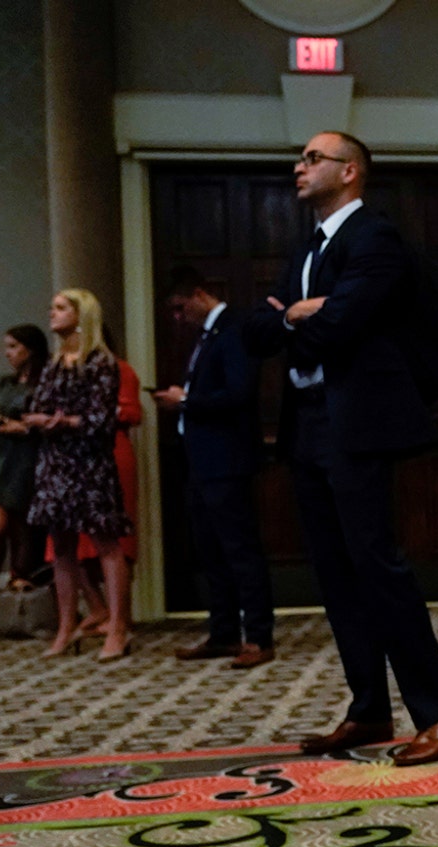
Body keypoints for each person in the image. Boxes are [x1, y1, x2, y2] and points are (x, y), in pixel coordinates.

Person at [243, 130, 438, 767]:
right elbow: (257, 330)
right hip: (309, 424)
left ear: (349, 172)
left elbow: (342, 326)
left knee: (378, 566)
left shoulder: (376, 236)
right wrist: (296, 315)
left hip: (358, 425)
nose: (299, 166)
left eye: (313, 158)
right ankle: (368, 708)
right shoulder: (308, 247)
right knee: (335, 574)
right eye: (301, 157)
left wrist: (306, 318)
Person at [154, 265, 274, 669]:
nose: (177, 317)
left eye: (179, 307)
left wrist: (185, 400)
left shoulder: (235, 328)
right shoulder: (208, 336)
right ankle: (224, 632)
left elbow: (238, 393)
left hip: (227, 457)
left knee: (239, 548)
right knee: (210, 549)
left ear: (200, 295)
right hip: (201, 458)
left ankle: (258, 635)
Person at [26, 289, 135, 661]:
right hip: (55, 463)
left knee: (106, 543)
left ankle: (118, 628)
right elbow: (37, 407)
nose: (51, 313)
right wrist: (41, 420)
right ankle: (66, 626)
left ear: (80, 314)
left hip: (89, 462)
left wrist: (65, 421)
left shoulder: (101, 362)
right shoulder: (54, 364)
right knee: (62, 550)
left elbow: (104, 419)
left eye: (60, 308)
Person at [0, 325, 48, 598]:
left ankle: (19, 583)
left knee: (21, 529)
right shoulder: (6, 382)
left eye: (14, 347)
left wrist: (6, 424)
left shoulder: (43, 384)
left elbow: (34, 426)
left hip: (25, 460)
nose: (8, 353)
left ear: (31, 349)